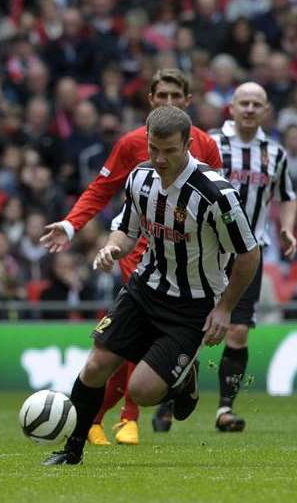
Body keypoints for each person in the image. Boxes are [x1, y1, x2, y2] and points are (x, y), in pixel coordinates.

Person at [43, 106, 260, 466]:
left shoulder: (216, 194)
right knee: (96, 364)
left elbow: (248, 255)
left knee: (142, 391)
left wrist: (225, 308)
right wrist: (113, 247)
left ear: (188, 144)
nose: (159, 158)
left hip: (192, 306)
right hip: (145, 290)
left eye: (169, 151)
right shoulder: (139, 178)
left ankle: (183, 379)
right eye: (153, 149)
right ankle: (72, 450)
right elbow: (127, 230)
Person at [154, 82, 297, 433]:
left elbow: (287, 195)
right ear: (231, 107)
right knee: (191, 329)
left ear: (266, 111)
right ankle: (172, 397)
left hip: (249, 252)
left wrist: (288, 227)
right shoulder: (210, 143)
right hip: (206, 251)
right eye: (243, 103)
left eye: (256, 104)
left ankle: (225, 410)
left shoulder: (274, 154)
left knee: (237, 333)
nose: (249, 109)